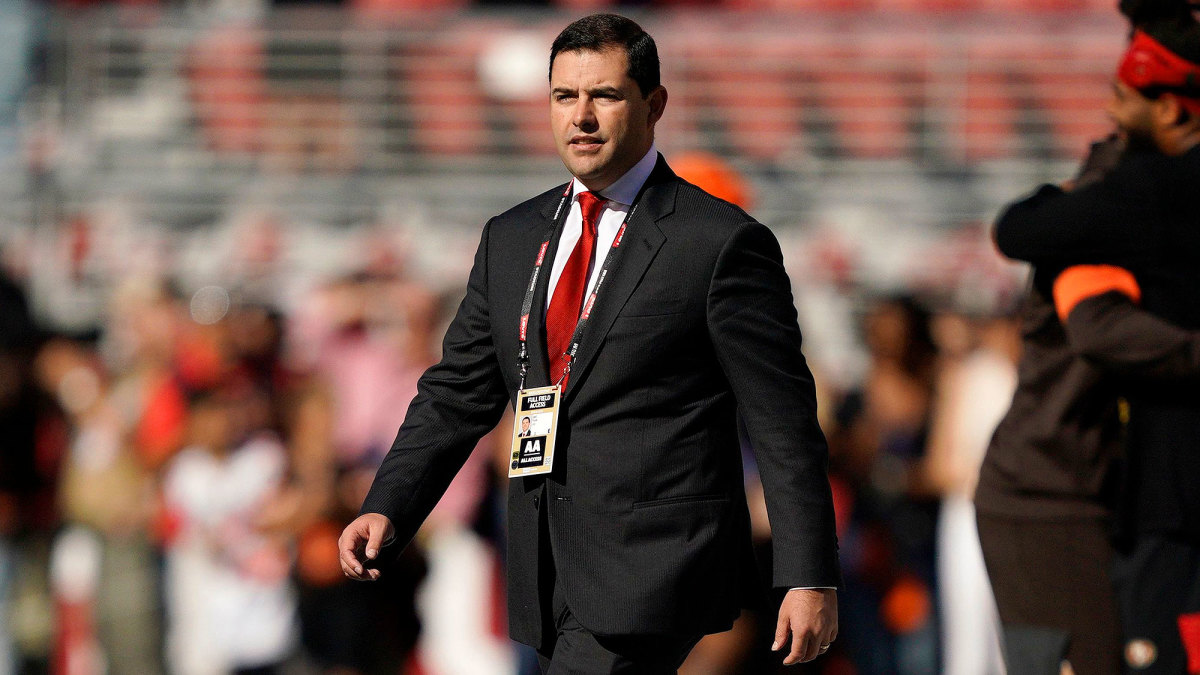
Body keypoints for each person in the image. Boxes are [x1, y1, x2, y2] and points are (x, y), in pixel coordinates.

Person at [338, 13, 840, 673]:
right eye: (563, 96)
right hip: (544, 557)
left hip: (656, 564)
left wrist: (808, 574)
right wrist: (389, 505)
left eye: (604, 95)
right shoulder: (511, 238)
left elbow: (784, 421)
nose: (581, 116)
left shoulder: (718, 242)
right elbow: (458, 390)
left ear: (654, 105)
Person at [978, 2, 1200, 672]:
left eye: (1121, 94)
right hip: (1050, 492)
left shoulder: (1106, 192)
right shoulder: (1110, 198)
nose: (1110, 106)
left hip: (1086, 488)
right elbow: (1097, 327)